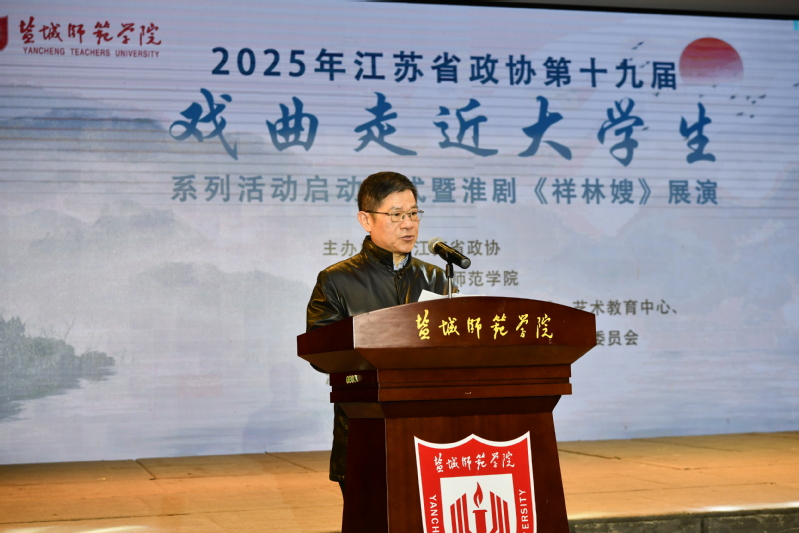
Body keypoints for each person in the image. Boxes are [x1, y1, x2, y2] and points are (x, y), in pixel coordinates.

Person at [305, 171, 449, 493]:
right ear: (366, 220)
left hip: (431, 431)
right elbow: (321, 353)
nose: (408, 224)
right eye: (396, 215)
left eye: (413, 213)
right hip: (364, 431)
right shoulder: (337, 280)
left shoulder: (436, 278)